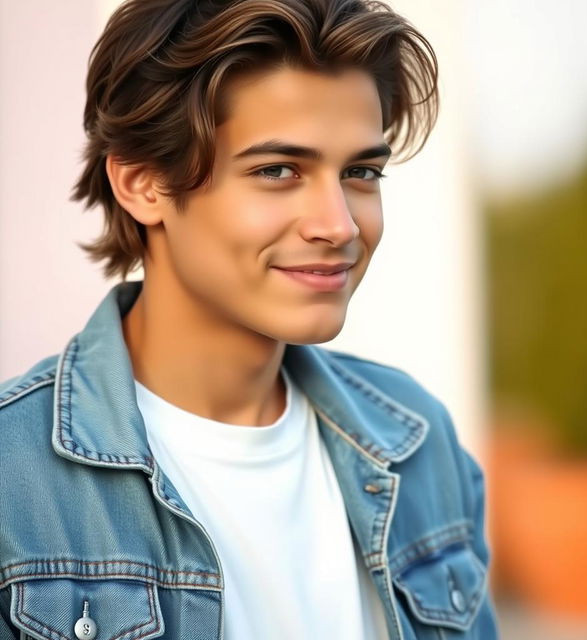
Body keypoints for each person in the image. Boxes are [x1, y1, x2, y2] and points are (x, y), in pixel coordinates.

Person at [0, 0, 499, 638]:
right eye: (277, 170)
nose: (339, 225)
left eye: (361, 172)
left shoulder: (419, 442)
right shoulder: (17, 486)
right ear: (142, 182)